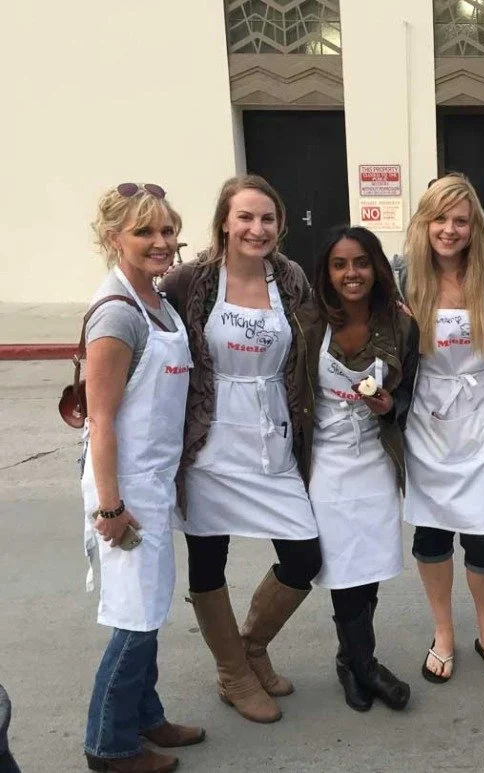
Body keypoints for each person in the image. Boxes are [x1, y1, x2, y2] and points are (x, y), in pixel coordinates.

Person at [160, 175, 321, 724]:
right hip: (209, 441)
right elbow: (148, 327)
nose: (257, 229)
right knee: (209, 560)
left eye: (267, 219)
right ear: (224, 222)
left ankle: (251, 646)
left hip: (273, 433)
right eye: (245, 217)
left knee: (304, 555)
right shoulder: (192, 281)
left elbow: (322, 332)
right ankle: (233, 674)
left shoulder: (291, 278)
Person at [81, 184, 204, 772]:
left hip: (153, 483)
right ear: (113, 240)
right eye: (143, 232)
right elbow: (101, 420)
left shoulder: (156, 301)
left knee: (150, 609)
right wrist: (110, 508)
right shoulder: (116, 315)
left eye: (165, 230)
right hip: (124, 488)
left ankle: (146, 715)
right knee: (133, 620)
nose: (159, 242)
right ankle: (109, 744)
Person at [394, 174, 484, 684]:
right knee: (432, 531)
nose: (449, 230)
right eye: (439, 219)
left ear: (475, 226)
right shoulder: (402, 276)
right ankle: (443, 632)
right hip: (426, 416)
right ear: (424, 222)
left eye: (460, 220)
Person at [296, 225, 419, 712]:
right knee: (343, 565)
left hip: (375, 457)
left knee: (367, 565)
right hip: (326, 459)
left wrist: (389, 407)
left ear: (377, 268)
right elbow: (290, 392)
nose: (352, 274)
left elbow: (411, 391)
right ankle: (365, 666)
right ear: (326, 273)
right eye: (340, 265)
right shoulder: (307, 323)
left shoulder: (399, 324)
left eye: (362, 263)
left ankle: (352, 660)